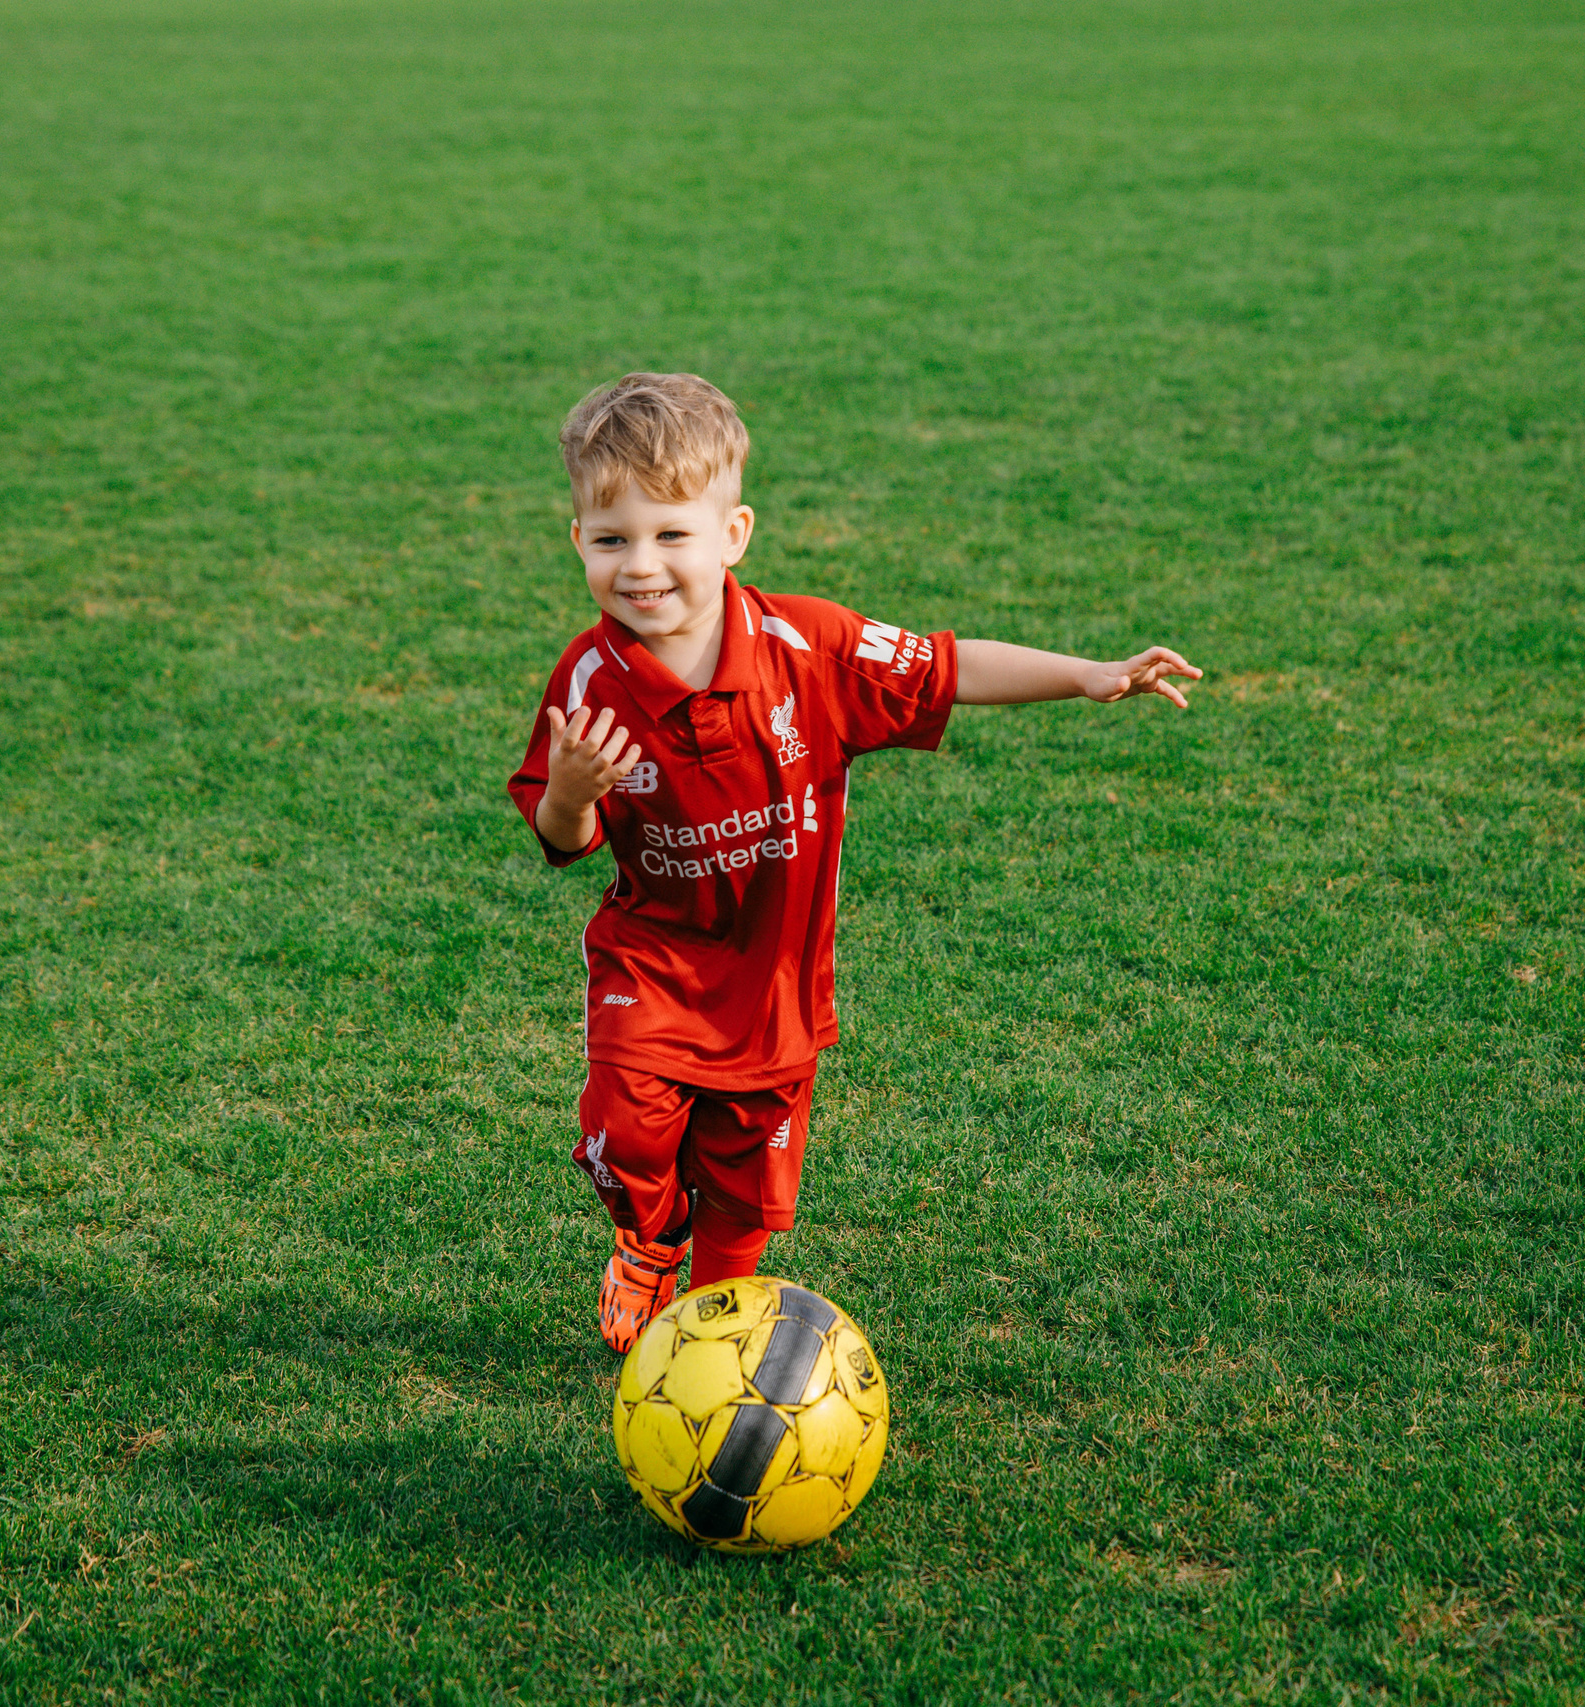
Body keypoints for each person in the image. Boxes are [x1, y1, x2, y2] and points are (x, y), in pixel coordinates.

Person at [508, 373, 1201, 1352]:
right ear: (579, 541)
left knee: (746, 1197)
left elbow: (945, 666)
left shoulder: (809, 650)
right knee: (625, 1128)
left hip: (775, 987)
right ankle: (647, 1241)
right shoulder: (589, 679)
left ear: (732, 535)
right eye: (613, 539)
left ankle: (712, 1340)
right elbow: (558, 839)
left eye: (672, 536)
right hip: (655, 964)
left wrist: (1084, 676)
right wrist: (574, 786)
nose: (643, 566)